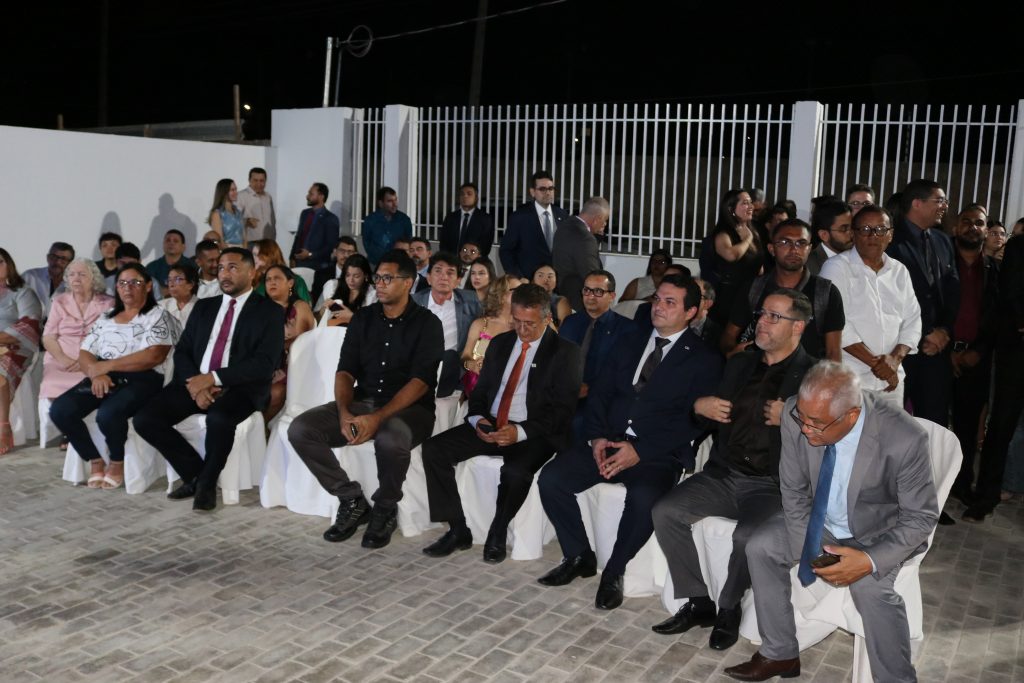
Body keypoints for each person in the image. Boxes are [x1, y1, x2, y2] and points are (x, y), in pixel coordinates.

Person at [724, 361, 938, 683]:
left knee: (870, 589)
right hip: (819, 520)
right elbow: (794, 490)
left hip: (877, 532)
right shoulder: (797, 412)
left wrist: (868, 560)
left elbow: (920, 517)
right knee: (761, 546)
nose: (805, 428)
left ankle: (897, 678)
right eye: (803, 418)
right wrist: (808, 548)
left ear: (851, 415)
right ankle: (780, 653)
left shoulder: (904, 437)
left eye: (816, 423)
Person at [536, 274, 722, 610]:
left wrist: (641, 450)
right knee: (552, 479)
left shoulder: (704, 358)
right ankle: (578, 555)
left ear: (691, 312)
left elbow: (696, 422)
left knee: (644, 498)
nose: (659, 307)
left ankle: (614, 571)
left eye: (670, 302)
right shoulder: (629, 340)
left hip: (658, 453)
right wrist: (596, 436)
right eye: (657, 299)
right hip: (609, 439)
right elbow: (601, 392)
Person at [651, 289, 816, 651]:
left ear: (798, 327)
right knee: (665, 511)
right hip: (724, 475)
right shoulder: (740, 363)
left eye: (774, 317)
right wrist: (700, 406)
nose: (762, 323)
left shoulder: (815, 375)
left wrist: (793, 417)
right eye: (762, 314)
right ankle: (699, 601)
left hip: (773, 485)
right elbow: (705, 414)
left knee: (747, 538)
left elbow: (833, 436)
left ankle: (729, 607)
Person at [287, 250, 443, 547]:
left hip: (411, 409)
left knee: (390, 439)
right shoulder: (364, 319)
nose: (379, 284)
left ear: (408, 282)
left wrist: (377, 419)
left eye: (387, 278)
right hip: (364, 400)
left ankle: (385, 508)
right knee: (301, 429)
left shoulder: (427, 324)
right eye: (378, 278)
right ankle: (352, 500)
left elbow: (420, 383)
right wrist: (345, 412)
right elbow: (345, 371)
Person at [420, 283, 582, 563]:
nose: (522, 330)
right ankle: (457, 528)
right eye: (517, 321)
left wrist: (519, 432)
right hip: (493, 422)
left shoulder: (565, 352)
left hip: (534, 430)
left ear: (547, 318)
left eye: (530, 324)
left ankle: (497, 529)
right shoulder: (500, 343)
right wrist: (478, 419)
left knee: (516, 472)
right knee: (434, 450)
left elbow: (562, 412)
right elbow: (480, 392)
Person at [133, 248, 285, 511]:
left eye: (233, 267)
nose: (224, 274)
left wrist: (212, 378)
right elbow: (183, 351)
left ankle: (206, 484)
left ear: (252, 273)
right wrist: (197, 385)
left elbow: (264, 364)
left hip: (240, 388)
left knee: (219, 419)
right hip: (194, 382)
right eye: (222, 268)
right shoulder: (205, 306)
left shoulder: (269, 311)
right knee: (145, 419)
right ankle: (196, 474)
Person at [49, 264, 179, 488]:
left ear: (148, 286)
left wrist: (106, 366)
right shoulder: (106, 317)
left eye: (135, 283)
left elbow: (154, 356)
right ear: (116, 288)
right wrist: (96, 374)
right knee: (60, 410)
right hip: (104, 375)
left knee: (108, 414)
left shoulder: (159, 316)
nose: (128, 288)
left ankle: (117, 461)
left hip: (144, 377)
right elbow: (85, 353)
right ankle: (94, 459)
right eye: (122, 283)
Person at [819, 207, 921, 406]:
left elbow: (913, 320)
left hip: (892, 382)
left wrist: (894, 360)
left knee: (893, 428)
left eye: (881, 229)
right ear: (853, 234)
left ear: (890, 235)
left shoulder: (899, 271)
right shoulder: (836, 267)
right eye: (865, 229)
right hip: (849, 380)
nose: (873, 235)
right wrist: (879, 365)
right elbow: (837, 324)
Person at [720, 218, 845, 363]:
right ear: (771, 249)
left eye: (801, 243)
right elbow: (728, 336)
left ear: (809, 249)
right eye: (785, 242)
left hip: (808, 375)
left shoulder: (825, 293)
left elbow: (833, 353)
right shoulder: (754, 288)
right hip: (759, 373)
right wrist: (733, 355)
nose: (794, 249)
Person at [886, 179, 959, 426]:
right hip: (900, 350)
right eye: (939, 200)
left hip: (937, 351)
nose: (945, 206)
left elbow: (952, 290)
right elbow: (891, 296)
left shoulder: (943, 240)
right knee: (891, 424)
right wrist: (926, 332)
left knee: (934, 424)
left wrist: (944, 330)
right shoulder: (890, 241)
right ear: (917, 203)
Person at [964, 226, 1024, 522]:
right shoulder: (1019, 247)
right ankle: (986, 496)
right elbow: (1011, 295)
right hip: (1017, 354)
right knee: (1001, 426)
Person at [943, 206, 999, 512]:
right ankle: (930, 488)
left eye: (979, 223)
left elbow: (996, 316)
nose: (972, 227)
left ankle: (962, 484)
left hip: (976, 359)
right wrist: (948, 349)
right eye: (966, 221)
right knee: (935, 425)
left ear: (986, 230)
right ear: (956, 227)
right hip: (939, 355)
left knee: (966, 428)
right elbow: (930, 305)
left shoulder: (993, 269)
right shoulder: (941, 261)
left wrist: (978, 350)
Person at [41, 259, 114, 449]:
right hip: (61, 356)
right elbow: (48, 337)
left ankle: (77, 428)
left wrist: (88, 361)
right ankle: (68, 429)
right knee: (52, 382)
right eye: (72, 274)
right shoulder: (59, 301)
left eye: (82, 274)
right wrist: (64, 359)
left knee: (87, 381)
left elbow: (110, 337)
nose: (76, 279)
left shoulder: (107, 303)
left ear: (93, 278)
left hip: (92, 356)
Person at [558, 270, 632, 439]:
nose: (590, 296)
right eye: (587, 290)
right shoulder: (570, 322)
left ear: (612, 296)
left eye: (598, 291)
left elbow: (624, 373)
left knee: (578, 424)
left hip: (601, 398)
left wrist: (590, 388)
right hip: (564, 394)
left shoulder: (626, 329)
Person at [412, 252, 482, 398]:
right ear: (428, 278)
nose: (443, 277)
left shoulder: (472, 302)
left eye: (450, 273)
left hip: (454, 371)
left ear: (458, 281)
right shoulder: (413, 303)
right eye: (438, 271)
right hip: (418, 368)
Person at [0, 248, 43, 455]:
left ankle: (4, 427)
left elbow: (28, 326)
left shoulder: (23, 292)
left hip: (16, 347)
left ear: (9, 265)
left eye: (0, 262)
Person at [262, 265, 315, 423]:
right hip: (263, 362)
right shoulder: (260, 308)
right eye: (268, 279)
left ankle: (259, 428)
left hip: (291, 365)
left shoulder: (299, 307)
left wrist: (273, 346)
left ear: (290, 283)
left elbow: (301, 343)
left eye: (277, 278)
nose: (272, 282)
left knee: (276, 392)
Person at [706, 189, 763, 330]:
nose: (751, 206)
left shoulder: (753, 231)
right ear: (731, 209)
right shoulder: (723, 234)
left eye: (751, 202)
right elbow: (730, 255)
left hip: (751, 295)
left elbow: (759, 264)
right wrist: (748, 239)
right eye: (745, 203)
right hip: (729, 299)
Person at [460, 275, 521, 397]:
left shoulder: (524, 327)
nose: (522, 294)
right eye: (516, 290)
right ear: (501, 295)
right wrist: (472, 365)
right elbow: (465, 356)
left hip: (513, 390)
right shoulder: (481, 324)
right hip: (478, 389)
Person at [499, 171, 569, 279]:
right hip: (529, 280)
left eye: (551, 188)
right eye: (542, 189)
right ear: (532, 192)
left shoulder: (562, 215)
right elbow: (506, 251)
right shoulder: (520, 217)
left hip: (556, 280)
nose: (548, 192)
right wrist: (518, 278)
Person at [552, 197, 609, 312]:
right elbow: (591, 275)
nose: (605, 224)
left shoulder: (564, 226)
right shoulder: (585, 238)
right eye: (605, 220)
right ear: (597, 219)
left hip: (562, 295)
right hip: (579, 301)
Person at [290, 182, 340, 271]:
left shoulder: (330, 218)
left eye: (311, 194)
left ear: (321, 197)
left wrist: (310, 254)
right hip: (299, 263)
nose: (307, 196)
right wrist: (292, 257)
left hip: (318, 266)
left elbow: (331, 246)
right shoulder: (305, 213)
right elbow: (298, 237)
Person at [439, 182, 495, 258]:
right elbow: (443, 242)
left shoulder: (485, 219)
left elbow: (486, 245)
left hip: (475, 261)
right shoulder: (450, 217)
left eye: (469, 194)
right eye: (462, 194)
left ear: (476, 198)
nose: (465, 196)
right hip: (452, 260)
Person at [362, 186, 413, 267]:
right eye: (390, 201)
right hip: (375, 264)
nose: (395, 204)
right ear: (381, 203)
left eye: (395, 200)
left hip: (398, 265)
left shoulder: (404, 220)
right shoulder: (370, 220)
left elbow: (408, 242)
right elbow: (366, 242)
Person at [319, 254, 377, 326]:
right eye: (348, 275)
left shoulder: (373, 295)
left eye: (356, 276)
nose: (351, 280)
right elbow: (318, 316)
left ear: (366, 276)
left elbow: (372, 325)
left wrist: (352, 316)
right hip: (331, 329)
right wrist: (324, 309)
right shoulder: (333, 285)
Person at [22, 241, 74, 317]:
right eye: (54, 257)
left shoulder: (76, 285)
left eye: (63, 259)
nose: (57, 262)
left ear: (71, 263)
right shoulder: (29, 277)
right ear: (48, 258)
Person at [252, 239, 311, 303]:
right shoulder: (255, 278)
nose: (252, 258)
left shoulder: (297, 281)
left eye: (255, 255)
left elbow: (305, 306)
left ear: (268, 256)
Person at [806, 197, 853, 275]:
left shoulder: (859, 257)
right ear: (824, 235)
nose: (851, 233)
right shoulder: (808, 266)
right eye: (844, 229)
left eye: (852, 227)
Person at [146, 229, 196, 298]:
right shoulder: (152, 267)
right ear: (163, 244)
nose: (171, 243)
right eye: (168, 240)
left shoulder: (192, 266)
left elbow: (195, 289)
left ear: (183, 247)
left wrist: (166, 291)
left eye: (175, 241)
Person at [312, 236, 358, 306]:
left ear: (355, 254)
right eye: (342, 251)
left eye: (350, 252)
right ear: (335, 252)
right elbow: (316, 303)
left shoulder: (360, 277)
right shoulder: (321, 275)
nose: (346, 255)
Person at [235, 166, 277, 242]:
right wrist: (246, 221)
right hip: (250, 242)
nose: (259, 184)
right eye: (255, 180)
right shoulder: (240, 196)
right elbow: (233, 219)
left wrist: (273, 239)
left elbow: (272, 221)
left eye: (262, 181)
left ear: (265, 181)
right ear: (249, 180)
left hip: (269, 242)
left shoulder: (268, 197)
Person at [157, 262, 199, 329]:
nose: (171, 284)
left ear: (190, 285)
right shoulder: (161, 306)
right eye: (169, 280)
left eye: (177, 279)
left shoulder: (202, 308)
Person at [207, 178, 246, 248]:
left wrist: (245, 251)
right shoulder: (217, 213)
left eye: (236, 189)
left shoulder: (238, 212)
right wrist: (229, 252)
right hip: (227, 250)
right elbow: (219, 240)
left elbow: (244, 236)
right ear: (224, 192)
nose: (236, 192)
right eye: (232, 190)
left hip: (241, 249)